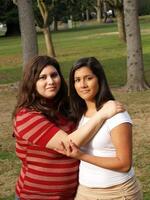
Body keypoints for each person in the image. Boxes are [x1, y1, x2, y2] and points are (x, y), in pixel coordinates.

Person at [12, 55, 124, 200]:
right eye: (43, 77)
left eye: (54, 75)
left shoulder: (65, 108)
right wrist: (102, 114)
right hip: (35, 195)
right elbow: (68, 145)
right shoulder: (26, 116)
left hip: (72, 195)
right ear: (32, 82)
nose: (50, 81)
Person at [56, 57, 143, 200]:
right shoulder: (80, 114)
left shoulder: (116, 113)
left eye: (88, 78)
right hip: (85, 192)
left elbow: (124, 164)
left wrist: (81, 156)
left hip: (117, 192)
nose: (82, 85)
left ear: (99, 79)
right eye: (77, 80)